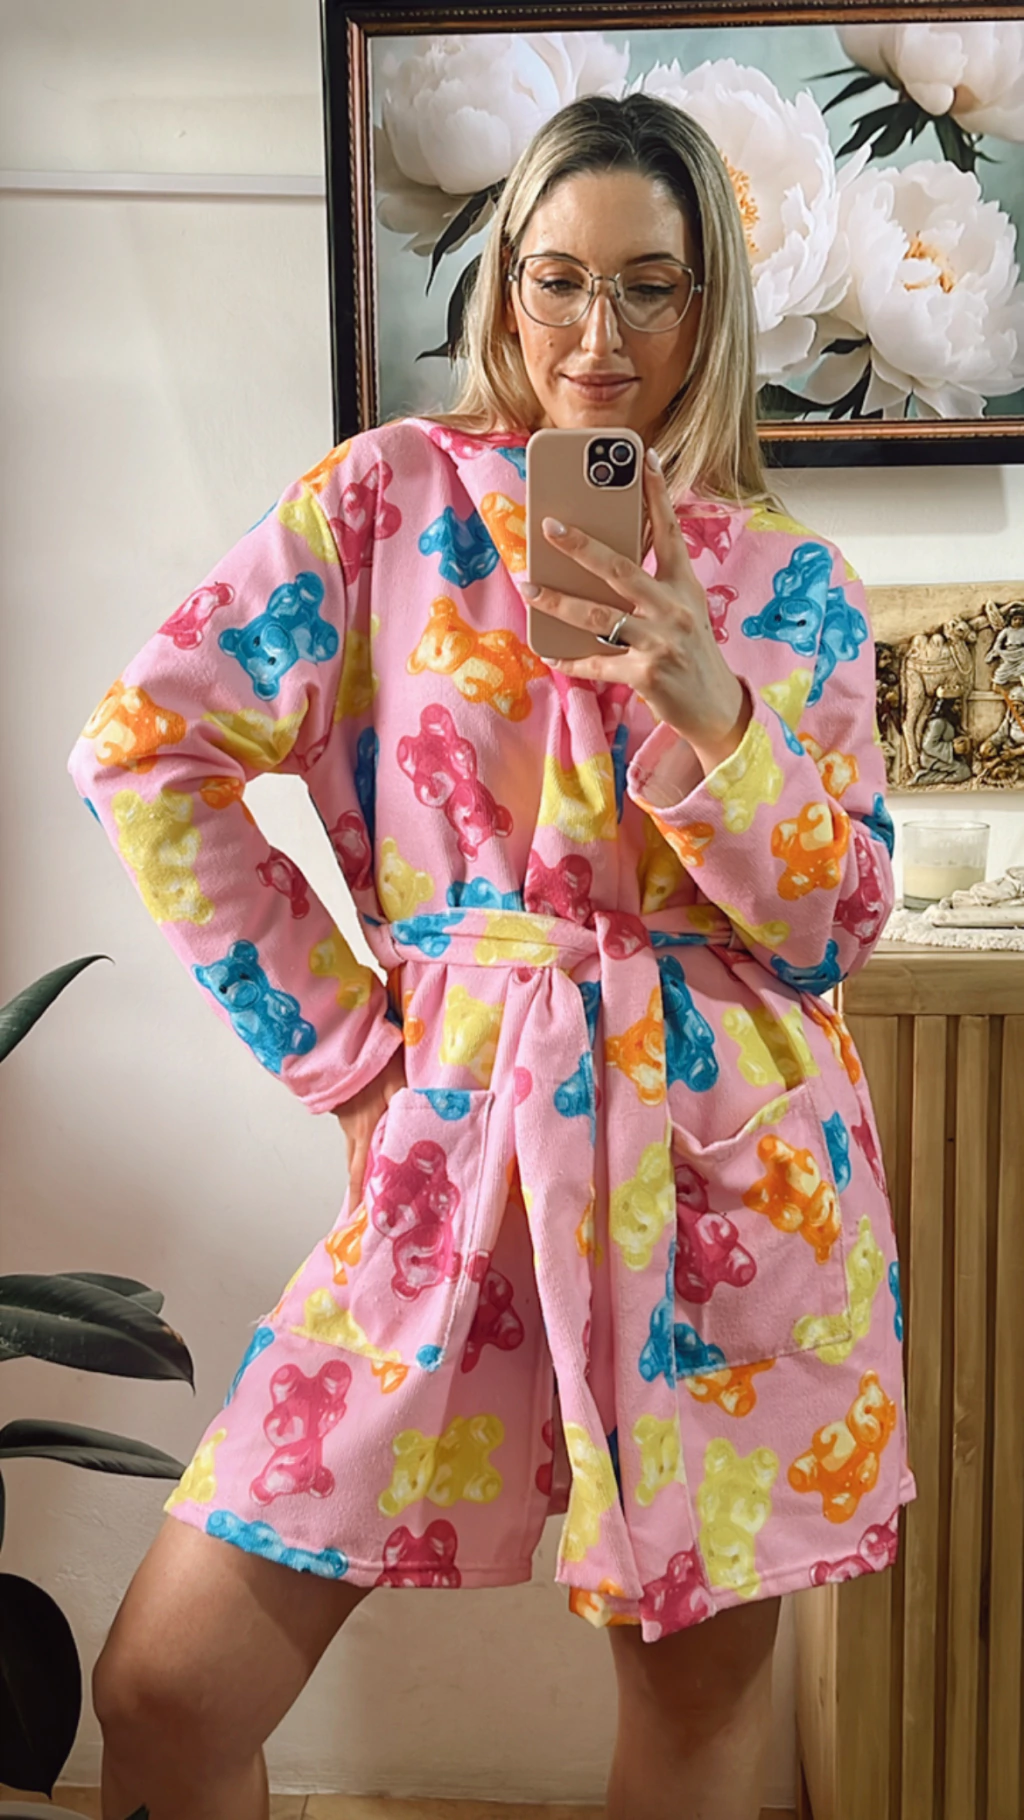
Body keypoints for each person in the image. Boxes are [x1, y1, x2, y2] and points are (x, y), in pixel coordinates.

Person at [68, 91, 915, 1820]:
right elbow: (145, 752)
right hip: (452, 1145)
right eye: (559, 279)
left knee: (693, 1709)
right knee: (167, 1690)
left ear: (708, 306)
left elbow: (834, 929)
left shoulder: (792, 583)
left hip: (727, 1178)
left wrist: (714, 710)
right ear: (505, 283)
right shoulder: (384, 505)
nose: (598, 336)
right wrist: (348, 1060)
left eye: (650, 286)